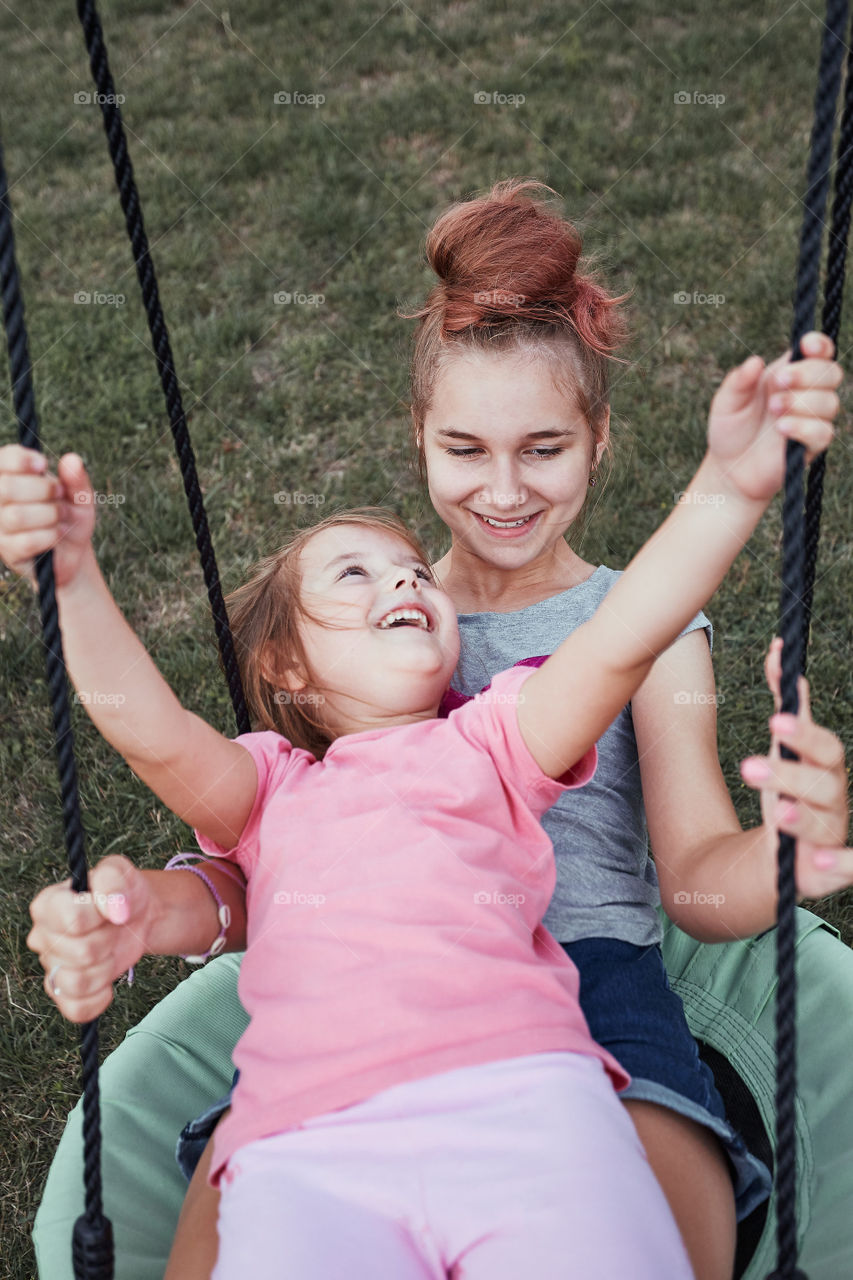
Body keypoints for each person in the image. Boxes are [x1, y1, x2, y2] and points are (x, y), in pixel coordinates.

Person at [13, 180, 851, 1280]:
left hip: (589, 985)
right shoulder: (355, 644)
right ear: (419, 436)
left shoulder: (580, 657)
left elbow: (693, 879)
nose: (502, 489)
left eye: (542, 448)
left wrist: (781, 850)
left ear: (600, 439)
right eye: (464, 449)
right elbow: (204, 782)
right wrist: (71, 584)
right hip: (346, 1000)